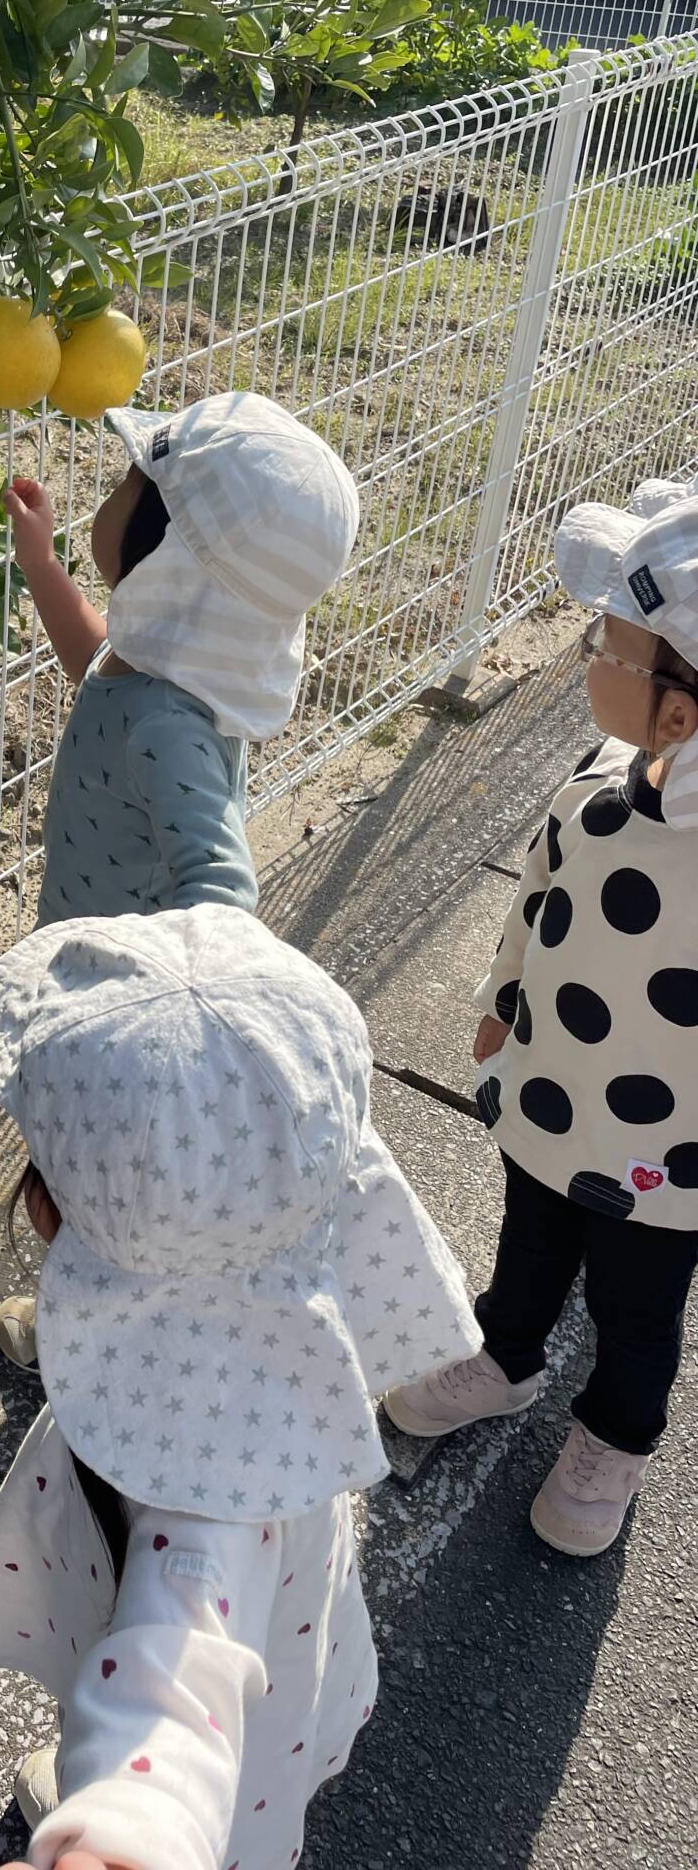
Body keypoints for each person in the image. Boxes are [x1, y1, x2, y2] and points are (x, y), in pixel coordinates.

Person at [0, 906, 481, 1870]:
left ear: (48, 1210)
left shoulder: (203, 1482)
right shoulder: (292, 1274)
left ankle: (88, 1794)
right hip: (280, 1643)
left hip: (200, 1794)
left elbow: (178, 1665)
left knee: (211, 1800)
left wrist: (129, 1828)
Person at [0, 393, 361, 1370]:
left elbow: (220, 872)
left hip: (126, 1017)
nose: (107, 498)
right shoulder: (160, 680)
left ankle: (94, 1333)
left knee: (85, 1179)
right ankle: (115, 1315)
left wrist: (212, 1001)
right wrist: (40, 565)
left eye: (126, 484)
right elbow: (100, 668)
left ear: (167, 554)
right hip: (106, 986)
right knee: (99, 1183)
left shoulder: (166, 723)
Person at [385, 480, 698, 1558]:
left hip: (670, 1154)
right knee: (531, 1235)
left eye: (607, 646)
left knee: (637, 1306)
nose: (587, 658)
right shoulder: (599, 776)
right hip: (553, 1091)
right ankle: (506, 1353)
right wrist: (498, 1001)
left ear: (676, 711)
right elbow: (537, 893)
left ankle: (616, 1433)